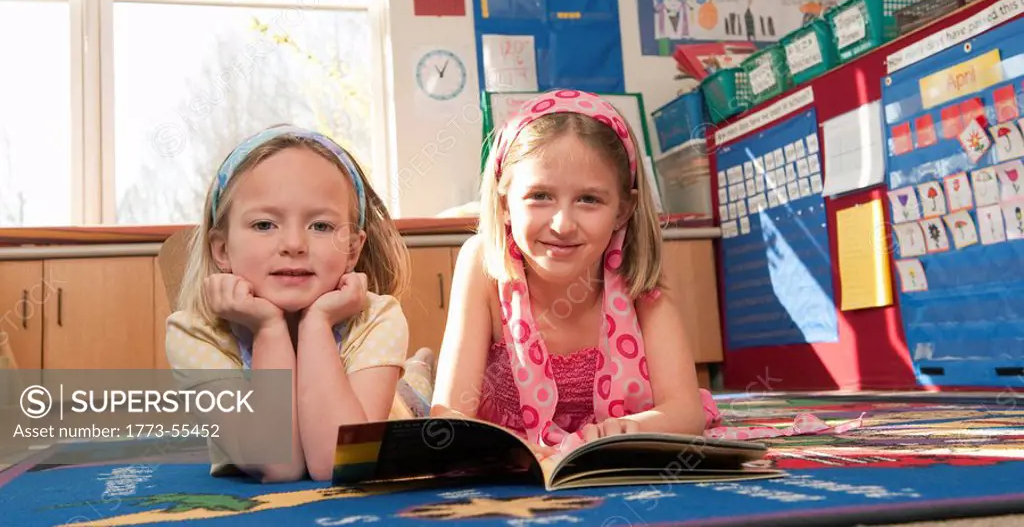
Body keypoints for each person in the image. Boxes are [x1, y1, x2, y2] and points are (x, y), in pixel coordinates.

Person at [431, 90, 860, 457]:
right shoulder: (482, 263)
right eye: (539, 195)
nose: (562, 223)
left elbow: (685, 411)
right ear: (505, 202)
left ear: (624, 210)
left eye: (589, 200)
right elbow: (449, 412)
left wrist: (624, 432)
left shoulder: (635, 278)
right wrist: (519, 451)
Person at [165, 125, 431, 483]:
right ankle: (416, 367)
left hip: (400, 411)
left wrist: (317, 323)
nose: (293, 243)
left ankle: (418, 372)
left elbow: (337, 463)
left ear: (352, 249)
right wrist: (269, 328)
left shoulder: (377, 317)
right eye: (264, 224)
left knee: (414, 401)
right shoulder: (193, 334)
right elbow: (278, 464)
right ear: (222, 249)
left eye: (320, 226)